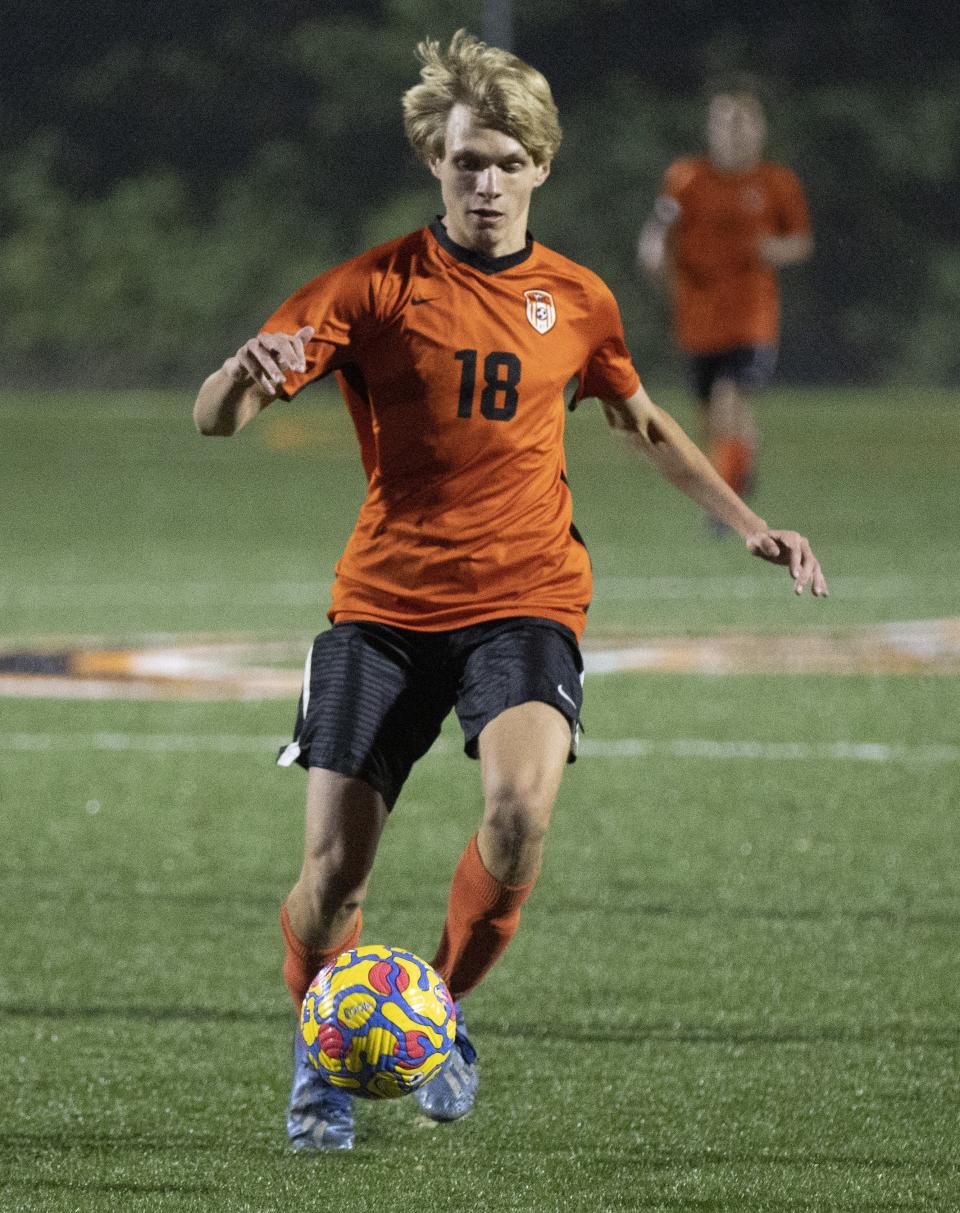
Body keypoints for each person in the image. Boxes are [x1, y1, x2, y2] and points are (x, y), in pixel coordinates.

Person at [193, 32, 828, 1152]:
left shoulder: (577, 297)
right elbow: (219, 417)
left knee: (520, 816)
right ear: (434, 166)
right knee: (333, 874)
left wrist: (752, 527)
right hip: (383, 609)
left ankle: (431, 1013)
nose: (484, 183)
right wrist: (237, 376)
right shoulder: (376, 283)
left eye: (504, 162)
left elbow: (641, 421)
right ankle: (322, 1044)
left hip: (526, 594)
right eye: (463, 162)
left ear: (539, 166)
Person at [637, 84, 813, 512]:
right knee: (714, 419)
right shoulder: (687, 178)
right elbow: (659, 228)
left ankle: (726, 505)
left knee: (729, 400)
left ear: (760, 129)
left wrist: (776, 249)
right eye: (726, 123)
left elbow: (801, 241)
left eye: (745, 123)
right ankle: (741, 470)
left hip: (752, 318)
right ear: (711, 129)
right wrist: (654, 249)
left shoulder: (776, 183)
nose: (736, 133)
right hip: (698, 318)